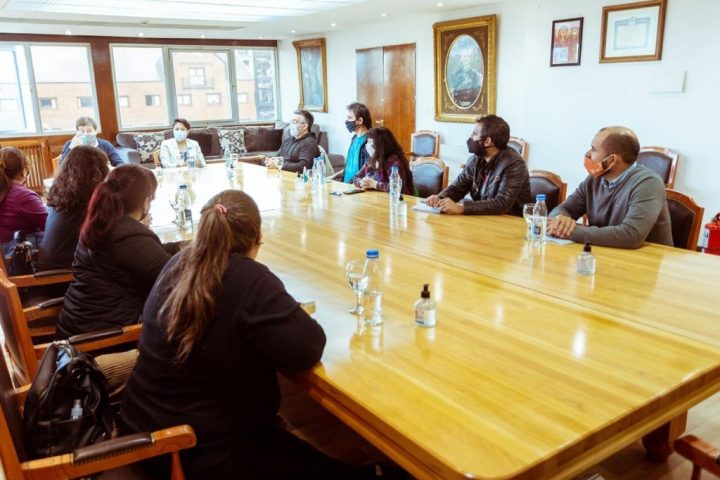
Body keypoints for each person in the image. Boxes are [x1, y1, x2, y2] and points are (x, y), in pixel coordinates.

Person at [120, 190, 398, 480]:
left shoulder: (176, 264)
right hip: (197, 451)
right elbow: (309, 347)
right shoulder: (249, 278)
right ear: (257, 238)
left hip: (145, 431)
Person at [56, 165, 183, 338]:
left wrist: (182, 247)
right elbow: (175, 276)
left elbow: (148, 254)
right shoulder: (127, 234)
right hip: (105, 338)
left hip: (78, 326)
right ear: (145, 200)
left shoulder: (103, 221)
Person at [547, 126, 673, 249]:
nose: (587, 154)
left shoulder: (648, 183)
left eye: (593, 149)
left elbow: (631, 235)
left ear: (611, 160)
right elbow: (564, 209)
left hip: (647, 259)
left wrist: (570, 232)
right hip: (605, 253)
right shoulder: (593, 179)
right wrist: (559, 221)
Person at [426, 114, 531, 215]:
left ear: (487, 141)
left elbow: (502, 203)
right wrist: (440, 198)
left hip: (510, 222)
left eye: (474, 134)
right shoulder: (475, 159)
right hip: (483, 218)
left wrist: (462, 208)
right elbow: (458, 187)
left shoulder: (514, 164)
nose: (470, 137)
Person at [39, 146, 110, 271]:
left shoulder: (61, 192)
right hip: (63, 273)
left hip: (48, 264)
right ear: (98, 171)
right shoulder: (89, 200)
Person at [0, 147, 47, 243]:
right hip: (17, 249)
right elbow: (51, 227)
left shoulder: (6, 191)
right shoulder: (23, 196)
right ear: (23, 169)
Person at [351, 126, 414, 195]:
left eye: (370, 142)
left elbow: (398, 187)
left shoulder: (394, 161)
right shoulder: (371, 160)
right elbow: (355, 177)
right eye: (367, 141)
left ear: (381, 144)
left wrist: (375, 184)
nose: (367, 145)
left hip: (396, 199)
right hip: (376, 198)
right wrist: (363, 183)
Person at [342, 102, 372, 183]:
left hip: (357, 187)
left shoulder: (370, 141)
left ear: (360, 120)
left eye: (350, 118)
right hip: (346, 185)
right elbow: (348, 167)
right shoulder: (354, 138)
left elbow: (368, 171)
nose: (347, 121)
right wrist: (332, 177)